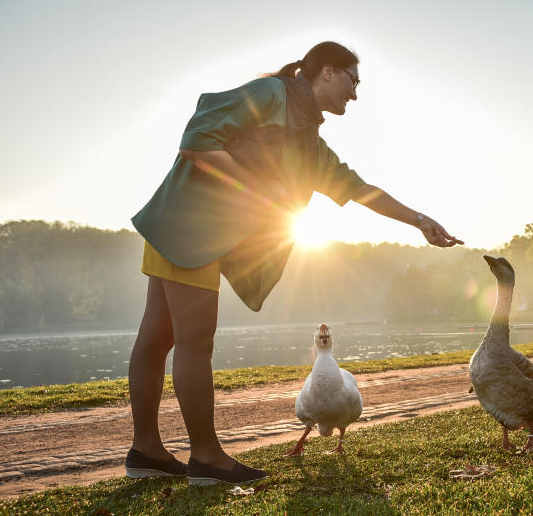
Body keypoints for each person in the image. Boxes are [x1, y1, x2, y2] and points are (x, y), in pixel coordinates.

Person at [125, 41, 463, 486]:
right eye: (352, 81)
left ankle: (146, 450)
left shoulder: (308, 143)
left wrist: (419, 220)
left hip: (186, 226)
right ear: (326, 71)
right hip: (190, 223)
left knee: (157, 337)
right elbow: (197, 139)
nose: (355, 95)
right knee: (193, 341)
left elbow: (359, 188)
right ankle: (205, 458)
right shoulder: (272, 95)